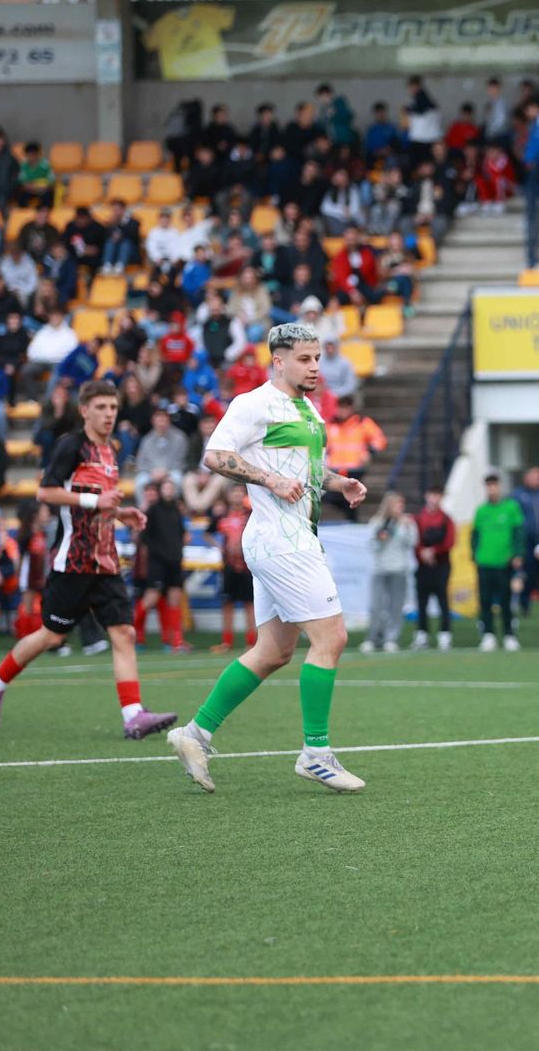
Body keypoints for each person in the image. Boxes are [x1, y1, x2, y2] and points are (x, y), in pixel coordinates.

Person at [166, 322, 369, 794]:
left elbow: (306, 468)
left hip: (290, 535)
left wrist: (339, 483)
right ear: (278, 361)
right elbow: (216, 456)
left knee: (274, 652)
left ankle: (194, 734)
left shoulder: (307, 409)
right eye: (304, 358)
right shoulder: (254, 403)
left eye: (317, 358)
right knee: (331, 638)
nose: (314, 366)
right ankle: (316, 754)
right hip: (281, 539)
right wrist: (269, 481)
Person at [0, 381, 177, 738]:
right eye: (100, 407)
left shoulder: (112, 450)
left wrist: (122, 513)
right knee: (52, 636)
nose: (108, 414)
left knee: (124, 633)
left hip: (106, 561)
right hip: (73, 561)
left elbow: (100, 502)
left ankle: (133, 715)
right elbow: (46, 492)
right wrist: (94, 503)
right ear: (84, 410)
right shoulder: (70, 446)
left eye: (113, 408)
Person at [133, 476, 191, 653]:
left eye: (171, 488)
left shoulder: (176, 510)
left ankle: (176, 642)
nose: (169, 491)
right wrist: (158, 551)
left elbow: (182, 534)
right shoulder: (152, 511)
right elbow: (143, 537)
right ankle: (131, 632)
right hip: (158, 563)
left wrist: (178, 550)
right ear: (160, 491)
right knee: (150, 599)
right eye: (166, 488)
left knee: (174, 601)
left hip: (175, 562)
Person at [471, 473, 523, 653]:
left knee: (506, 600)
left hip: (504, 562)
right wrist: (475, 555)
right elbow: (475, 535)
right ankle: (488, 635)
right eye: (488, 486)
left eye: (494, 485)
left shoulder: (510, 508)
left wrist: (517, 554)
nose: (491, 489)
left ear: (499, 487)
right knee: (485, 600)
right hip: (485, 562)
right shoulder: (481, 511)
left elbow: (518, 532)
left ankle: (509, 634)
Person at [362, 491, 416, 653]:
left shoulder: (406, 523)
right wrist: (380, 538)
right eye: (397, 504)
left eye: (401, 504)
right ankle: (373, 638)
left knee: (396, 606)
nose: (400, 508)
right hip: (380, 569)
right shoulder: (377, 522)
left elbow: (412, 542)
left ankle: (391, 638)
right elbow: (371, 545)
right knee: (377, 606)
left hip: (399, 570)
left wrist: (406, 527)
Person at [212, 484, 255, 652]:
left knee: (249, 604)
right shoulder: (222, 515)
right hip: (228, 566)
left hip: (246, 566)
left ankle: (251, 642)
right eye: (234, 492)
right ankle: (227, 641)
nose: (237, 496)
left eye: (240, 493)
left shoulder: (251, 515)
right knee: (227, 603)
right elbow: (208, 532)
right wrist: (219, 545)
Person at [412, 486, 456, 650]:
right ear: (426, 496)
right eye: (432, 495)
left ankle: (445, 634)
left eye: (437, 495)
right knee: (422, 602)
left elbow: (450, 542)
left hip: (441, 565)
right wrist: (422, 552)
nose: (434, 499)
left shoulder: (446, 519)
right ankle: (422, 634)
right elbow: (413, 539)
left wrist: (434, 552)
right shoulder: (419, 518)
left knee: (442, 600)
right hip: (423, 566)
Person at [512, 466, 539, 618]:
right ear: (527, 478)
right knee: (527, 575)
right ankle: (525, 606)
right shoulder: (518, 495)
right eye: (535, 476)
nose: (538, 480)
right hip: (527, 542)